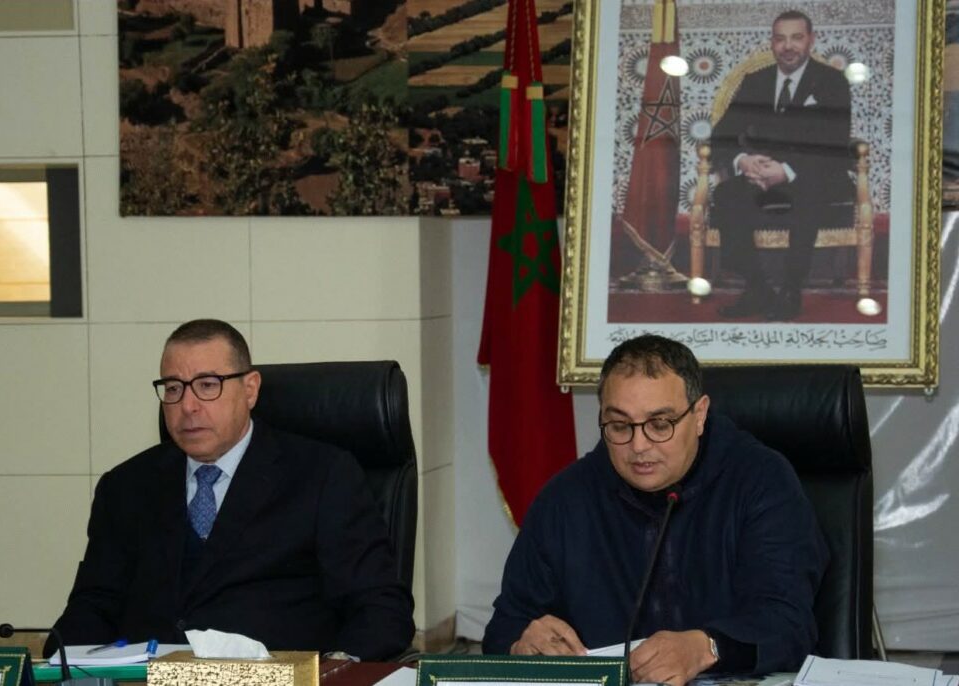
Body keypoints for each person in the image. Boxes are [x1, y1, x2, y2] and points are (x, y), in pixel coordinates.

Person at [46, 319, 414, 660]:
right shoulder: (125, 487)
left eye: (208, 385)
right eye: (173, 388)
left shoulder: (323, 476)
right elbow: (93, 607)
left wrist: (332, 674)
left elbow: (380, 609)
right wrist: (58, 664)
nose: (188, 406)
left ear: (250, 389)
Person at [482, 334, 828, 686]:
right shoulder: (565, 499)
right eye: (620, 426)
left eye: (660, 424)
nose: (639, 445)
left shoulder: (760, 481)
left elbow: (788, 624)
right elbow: (504, 626)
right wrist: (521, 643)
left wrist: (706, 647)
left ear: (699, 415)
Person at [711, 10, 854, 320]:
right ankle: (757, 287)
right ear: (772, 43)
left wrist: (786, 171)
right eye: (780, 39)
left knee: (808, 192)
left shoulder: (832, 82)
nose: (788, 46)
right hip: (763, 175)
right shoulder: (756, 82)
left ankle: (791, 289)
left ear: (811, 40)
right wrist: (743, 160)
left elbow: (834, 141)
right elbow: (721, 134)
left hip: (816, 174)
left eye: (796, 38)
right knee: (726, 194)